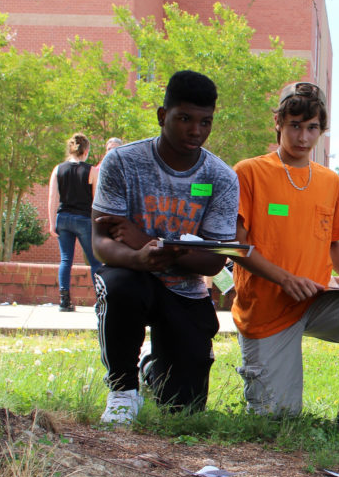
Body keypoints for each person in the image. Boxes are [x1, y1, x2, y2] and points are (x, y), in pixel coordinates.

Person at [231, 82, 339, 422]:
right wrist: (285, 279)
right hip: (267, 307)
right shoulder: (249, 172)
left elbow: (333, 242)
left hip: (316, 298)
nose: (303, 136)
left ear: (322, 129)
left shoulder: (330, 182)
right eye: (294, 125)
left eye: (312, 128)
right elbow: (238, 246)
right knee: (277, 420)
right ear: (277, 121)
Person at [91, 70, 239, 424]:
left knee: (183, 411)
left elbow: (212, 263)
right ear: (162, 115)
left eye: (206, 122)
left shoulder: (220, 177)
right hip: (133, 276)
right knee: (118, 286)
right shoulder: (122, 162)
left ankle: (153, 370)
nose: (196, 131)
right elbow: (101, 242)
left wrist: (147, 241)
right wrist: (138, 257)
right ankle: (123, 391)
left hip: (186, 292)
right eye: (184, 119)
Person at [48, 133, 102, 312]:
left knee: (66, 260)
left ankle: (64, 301)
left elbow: (52, 198)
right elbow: (95, 200)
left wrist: (51, 223)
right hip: (84, 219)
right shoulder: (91, 171)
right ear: (86, 151)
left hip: (63, 218)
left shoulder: (58, 169)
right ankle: (100, 300)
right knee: (95, 261)